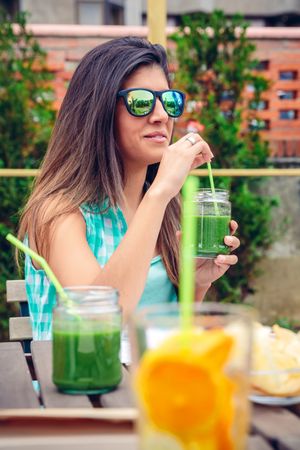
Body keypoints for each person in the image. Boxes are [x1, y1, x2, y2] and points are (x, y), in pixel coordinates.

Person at [18, 36, 239, 354]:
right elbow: (100, 322)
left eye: (169, 101)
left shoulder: (162, 206)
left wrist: (198, 282)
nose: (162, 115)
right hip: (80, 396)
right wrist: (161, 192)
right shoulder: (58, 211)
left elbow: (173, 333)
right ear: (100, 111)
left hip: (151, 387)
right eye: (141, 101)